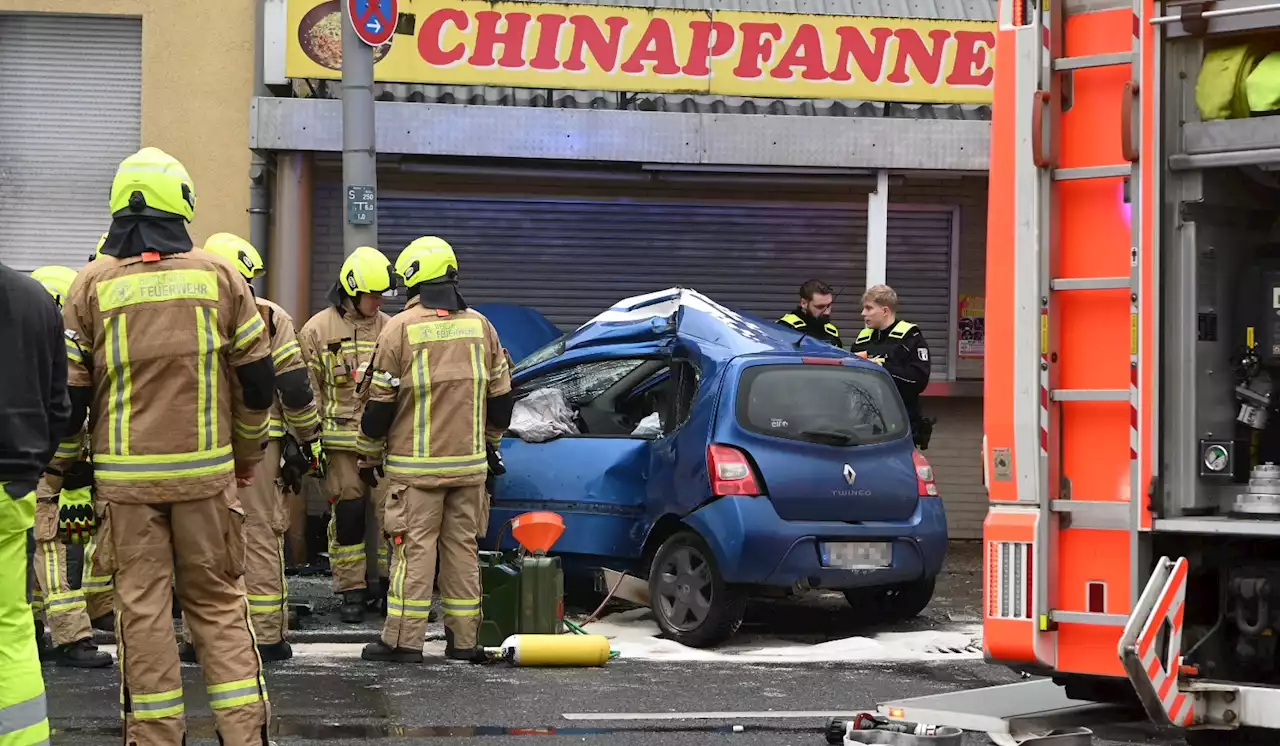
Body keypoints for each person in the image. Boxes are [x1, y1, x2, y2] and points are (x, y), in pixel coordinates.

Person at [62, 146, 275, 745]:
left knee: (144, 612)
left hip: (126, 489)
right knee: (218, 606)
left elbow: (70, 404)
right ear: (181, 206)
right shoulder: (220, 276)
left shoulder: (90, 286)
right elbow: (258, 386)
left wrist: (72, 469)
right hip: (208, 480)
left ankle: (155, 738)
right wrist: (246, 457)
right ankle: (244, 735)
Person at [356, 236, 513, 663]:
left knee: (414, 550)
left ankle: (404, 642)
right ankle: (464, 641)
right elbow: (502, 399)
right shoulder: (481, 327)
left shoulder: (399, 330)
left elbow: (378, 408)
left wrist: (368, 455)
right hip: (469, 469)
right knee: (462, 550)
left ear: (413, 280)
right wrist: (491, 445)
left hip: (416, 472)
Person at [198, 232, 323, 661]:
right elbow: (294, 386)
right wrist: (307, 440)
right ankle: (266, 636)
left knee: (203, 537)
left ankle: (204, 640)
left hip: (198, 445)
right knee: (258, 534)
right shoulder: (269, 316)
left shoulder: (188, 313)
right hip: (259, 444)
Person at [298, 246, 393, 623]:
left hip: (384, 446)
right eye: (372, 295)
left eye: (381, 295)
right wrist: (311, 440)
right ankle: (351, 591)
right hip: (339, 446)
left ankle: (390, 587)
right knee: (349, 516)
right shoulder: (317, 330)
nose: (377, 301)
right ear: (351, 291)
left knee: (392, 518)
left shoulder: (391, 327)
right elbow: (309, 388)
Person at [27, 265, 113, 669]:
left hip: (45, 471)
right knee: (49, 547)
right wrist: (71, 464)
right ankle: (72, 637)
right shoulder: (43, 356)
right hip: (41, 473)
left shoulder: (32, 349)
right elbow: (62, 417)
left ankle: (30, 631)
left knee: (28, 551)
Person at [0, 259, 71, 746]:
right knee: (11, 626)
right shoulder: (35, 300)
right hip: (12, 490)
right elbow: (59, 406)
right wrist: (27, 469)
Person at [850, 284, 933, 449]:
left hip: (900, 426)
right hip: (864, 424)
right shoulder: (863, 339)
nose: (863, 313)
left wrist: (882, 367)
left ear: (885, 311)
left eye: (868, 308)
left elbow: (918, 380)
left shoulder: (910, 337)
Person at [778, 279, 841, 347]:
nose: (827, 312)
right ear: (804, 303)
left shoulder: (832, 331)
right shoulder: (785, 326)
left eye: (828, 305)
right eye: (820, 307)